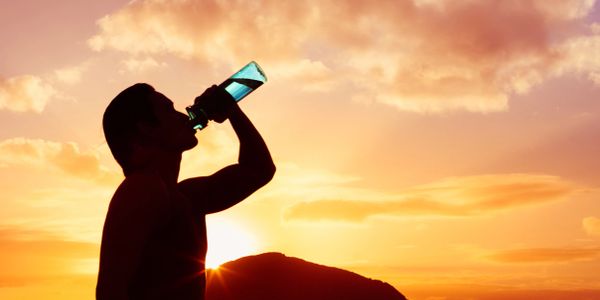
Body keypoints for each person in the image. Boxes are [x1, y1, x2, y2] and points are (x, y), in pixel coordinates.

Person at [96, 83, 275, 299]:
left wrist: (232, 111)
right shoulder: (141, 189)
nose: (183, 116)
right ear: (146, 128)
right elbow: (110, 291)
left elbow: (259, 169)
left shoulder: (186, 196)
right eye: (169, 110)